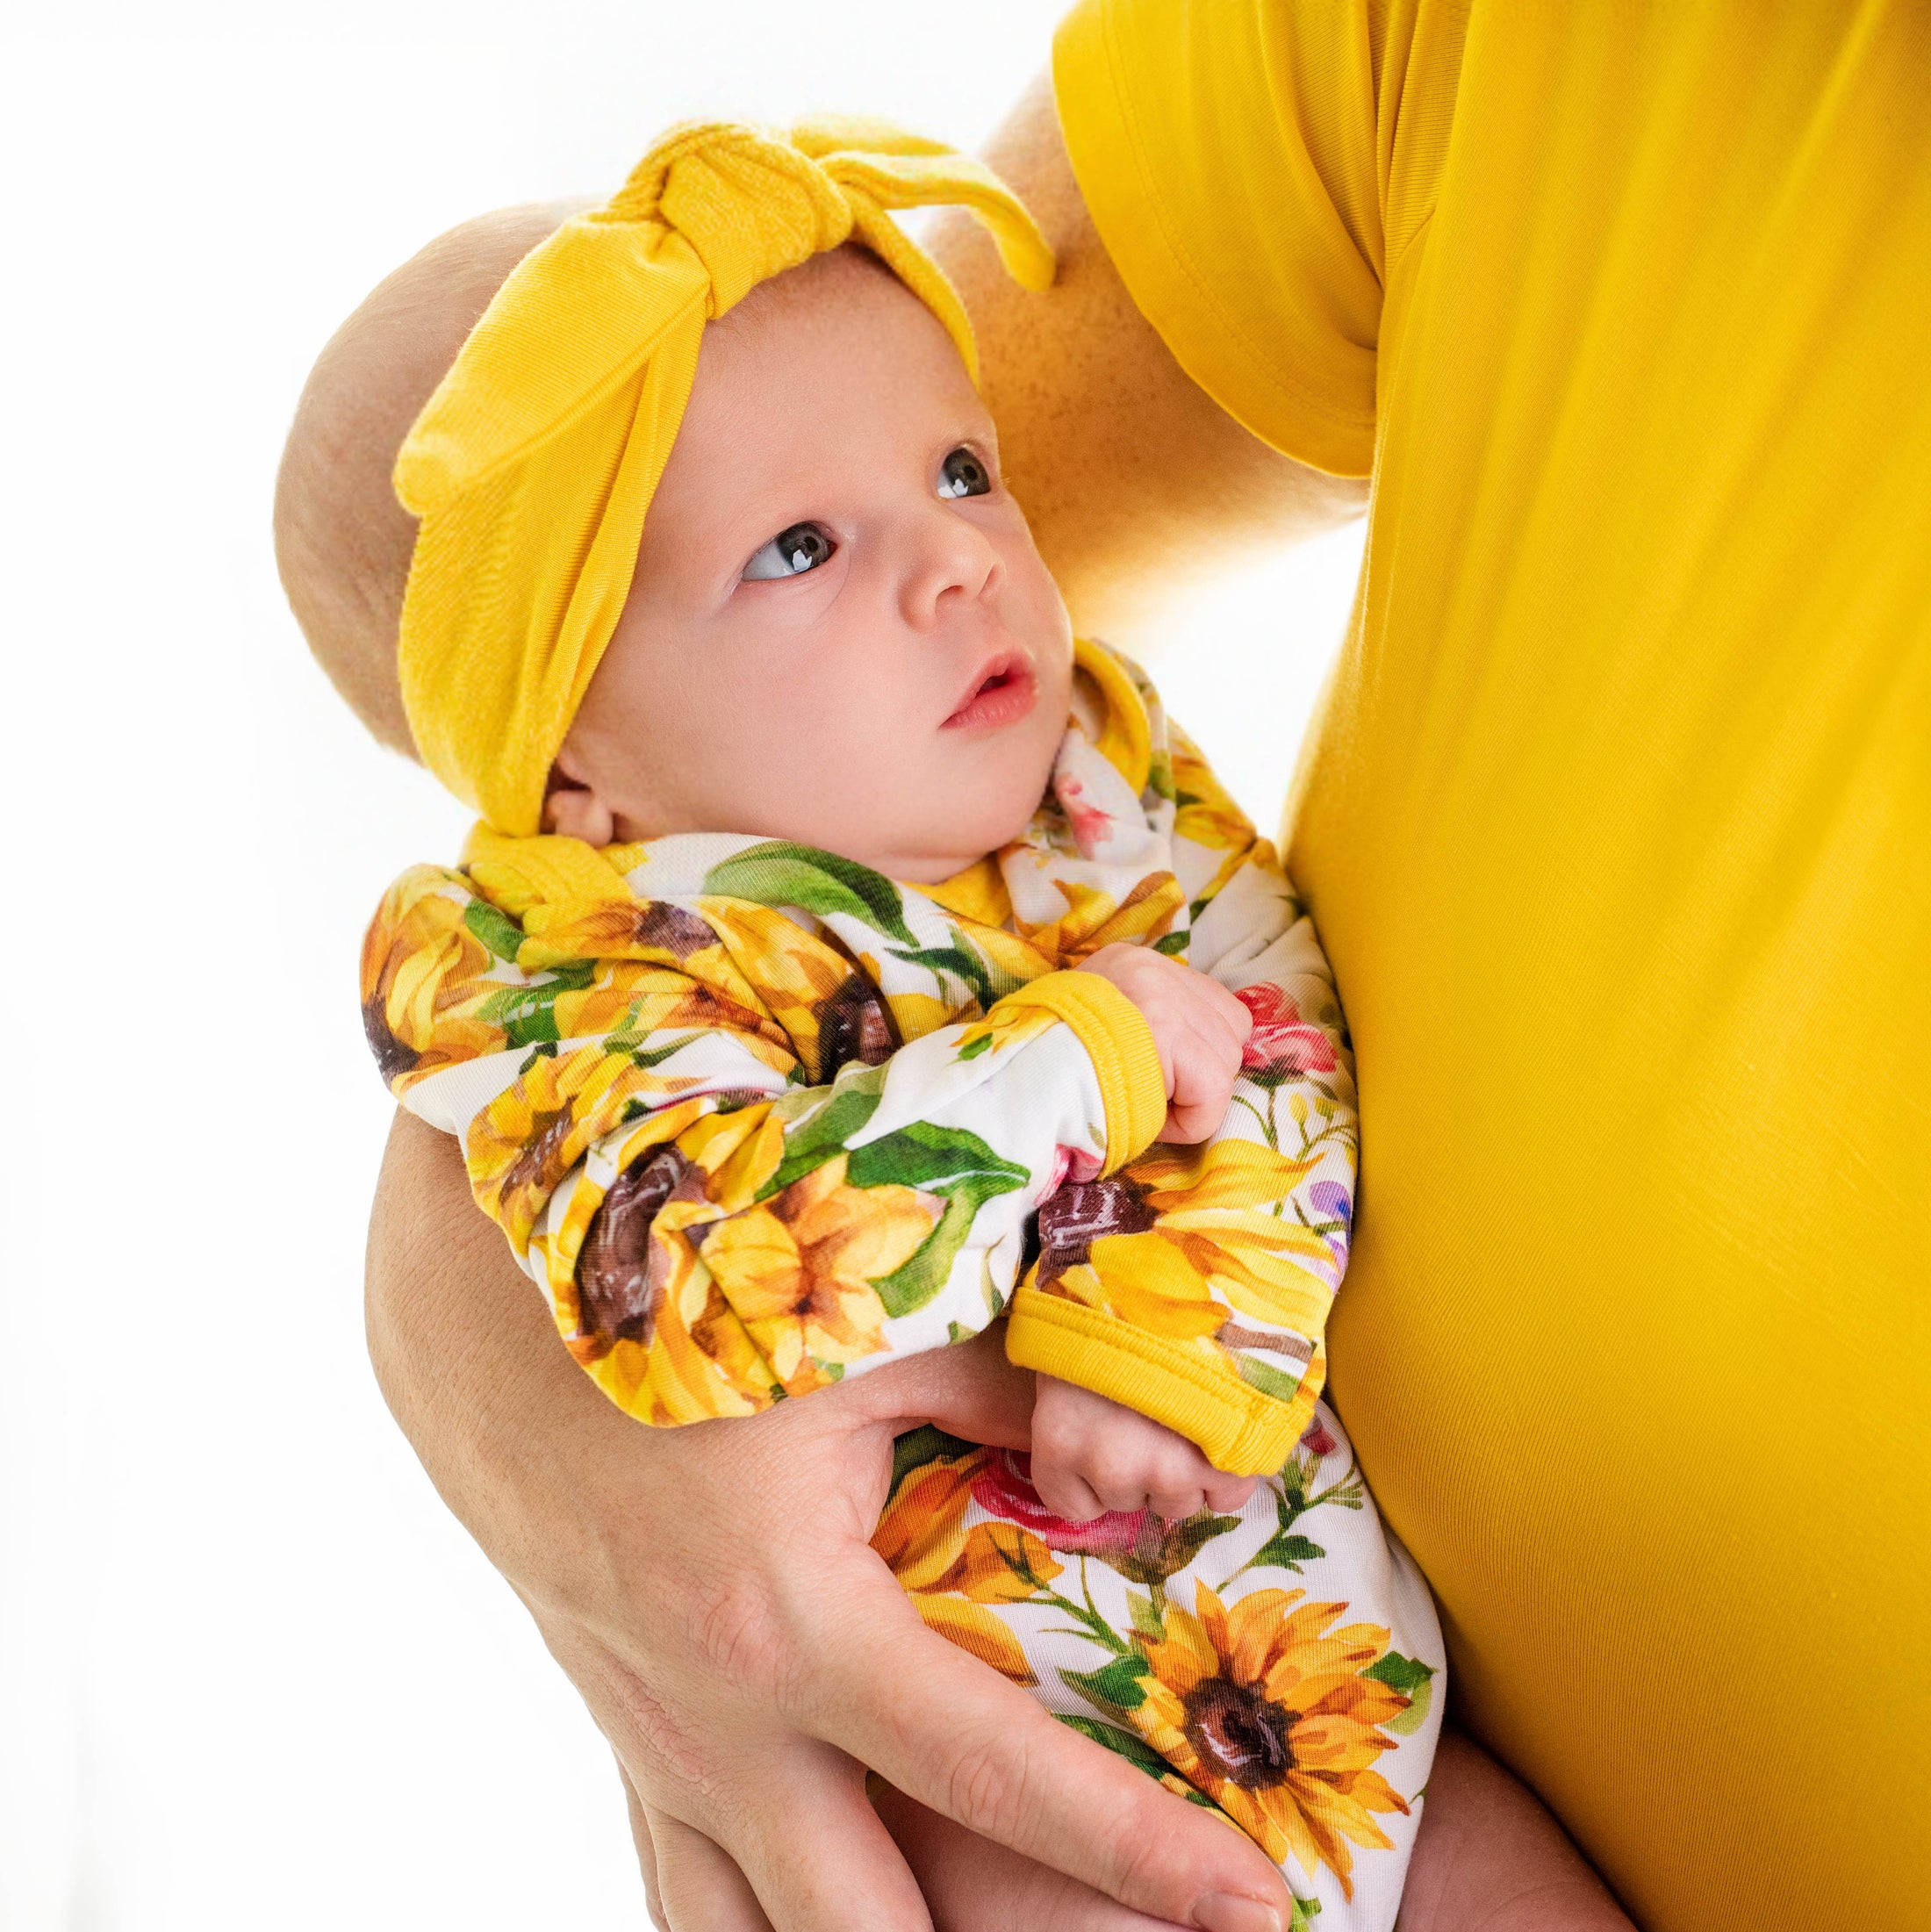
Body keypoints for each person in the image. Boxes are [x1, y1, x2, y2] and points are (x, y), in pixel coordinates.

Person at [276, 5, 1930, 1929]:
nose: (964, 561)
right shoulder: (567, 978)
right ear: (569, 750)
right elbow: (724, 1293)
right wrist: (1084, 1058)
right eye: (801, 543)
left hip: (1347, 1716)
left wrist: (1173, 1303)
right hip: (1006, 1779)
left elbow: (1283, 1035)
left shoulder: (1099, 790)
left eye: (967, 472)